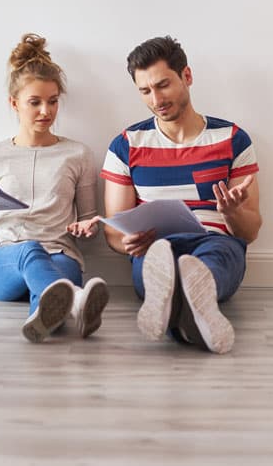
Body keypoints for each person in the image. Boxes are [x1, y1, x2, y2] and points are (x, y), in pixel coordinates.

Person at [99, 36, 262, 354]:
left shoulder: (232, 139)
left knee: (210, 260)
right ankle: (191, 316)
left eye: (163, 85)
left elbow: (250, 231)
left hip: (216, 240)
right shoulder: (126, 145)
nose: (156, 99)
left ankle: (176, 303)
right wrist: (127, 242)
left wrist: (232, 213)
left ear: (186, 76)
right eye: (145, 91)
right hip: (155, 247)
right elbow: (114, 231)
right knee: (158, 262)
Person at [0, 33, 107, 343]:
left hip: (59, 253)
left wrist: (87, 227)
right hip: (3, 259)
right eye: (35, 102)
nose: (46, 111)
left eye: (53, 101)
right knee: (29, 250)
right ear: (14, 103)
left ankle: (42, 320)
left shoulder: (78, 155)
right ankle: (78, 301)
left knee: (52, 290)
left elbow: (89, 221)